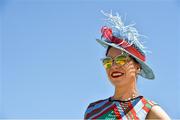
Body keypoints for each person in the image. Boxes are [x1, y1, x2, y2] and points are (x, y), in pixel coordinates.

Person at [84, 11, 170, 119]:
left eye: (120, 60)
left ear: (137, 67)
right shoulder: (93, 110)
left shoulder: (149, 110)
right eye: (108, 61)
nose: (113, 66)